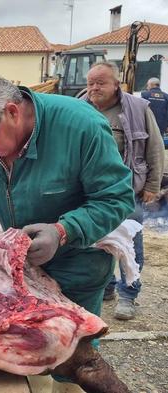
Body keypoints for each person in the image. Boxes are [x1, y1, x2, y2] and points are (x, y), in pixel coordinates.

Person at [0, 75, 134, 391]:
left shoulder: (81, 126)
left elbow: (116, 198)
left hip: (79, 263)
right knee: (29, 359)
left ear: (12, 112)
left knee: (71, 361)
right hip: (22, 264)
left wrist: (64, 230)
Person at [84, 62, 165, 320]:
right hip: (91, 191)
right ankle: (105, 286)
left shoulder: (138, 108)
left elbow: (154, 147)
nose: (94, 88)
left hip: (126, 189)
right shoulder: (79, 107)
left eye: (101, 83)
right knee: (96, 242)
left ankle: (129, 294)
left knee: (128, 243)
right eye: (91, 83)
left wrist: (152, 186)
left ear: (116, 84)